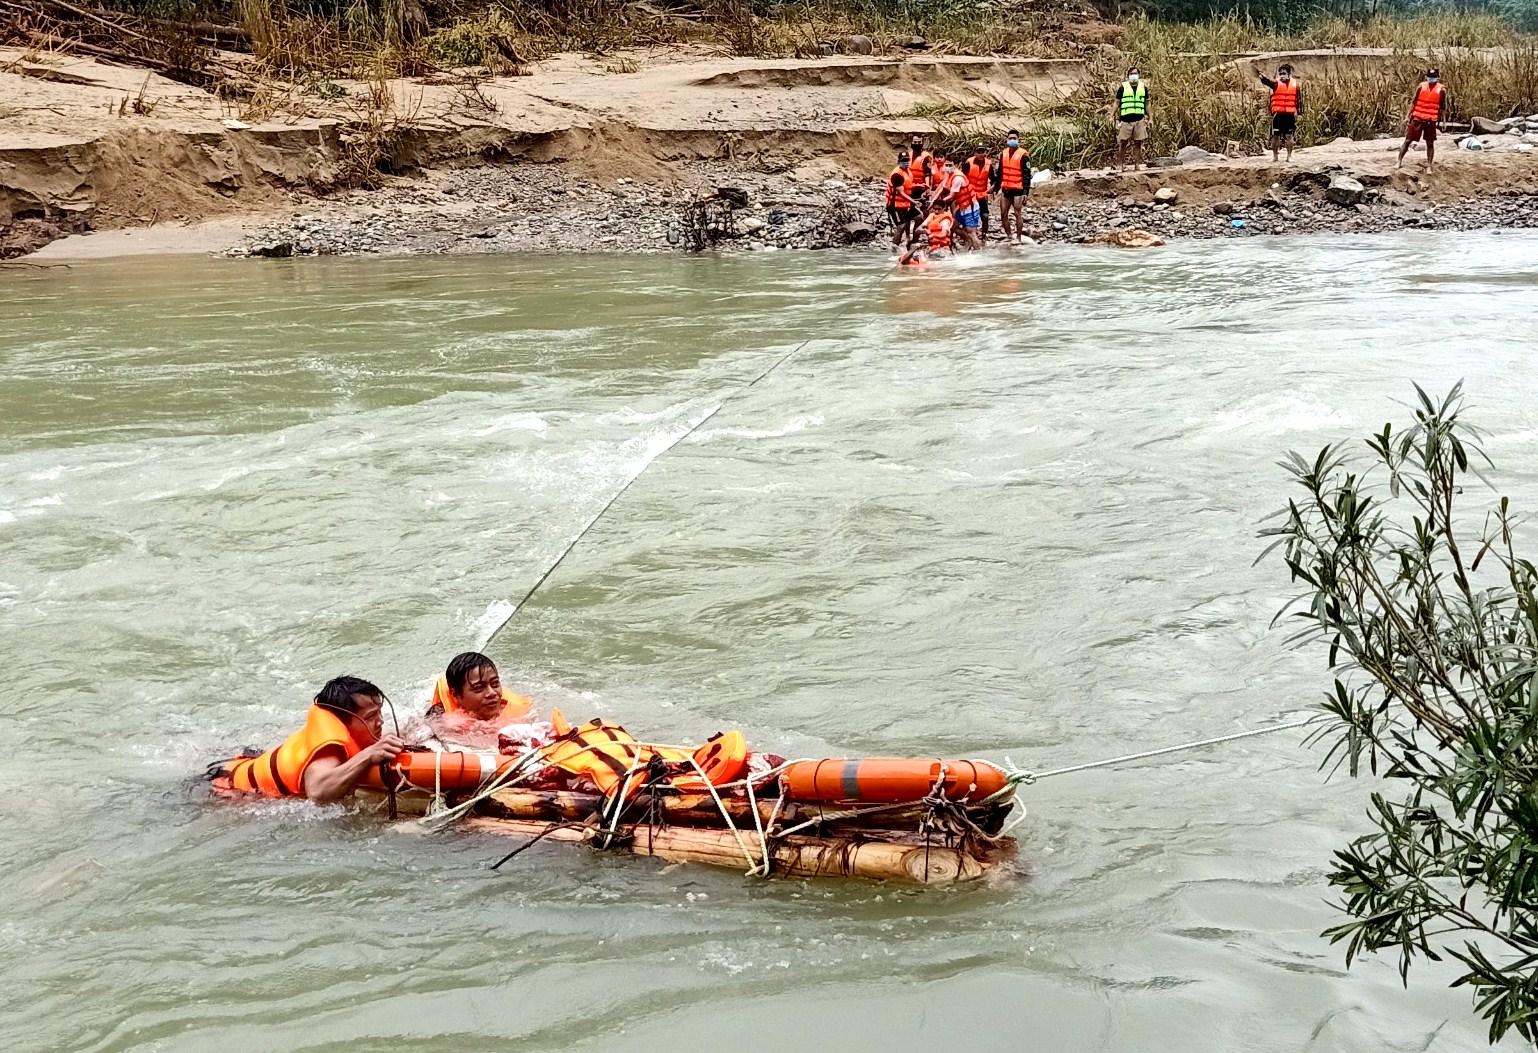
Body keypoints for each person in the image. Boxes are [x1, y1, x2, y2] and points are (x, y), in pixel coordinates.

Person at [211, 676, 406, 803]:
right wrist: (368, 755)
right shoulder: (329, 750)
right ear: (344, 721)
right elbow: (317, 791)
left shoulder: (342, 731)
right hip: (226, 788)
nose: (380, 722)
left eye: (380, 713)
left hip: (245, 761)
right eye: (371, 717)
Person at [425, 651, 534, 723]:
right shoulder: (439, 718)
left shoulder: (523, 715)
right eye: (478, 688)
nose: (491, 693)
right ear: (455, 695)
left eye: (495, 684)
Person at [1398, 68, 1449, 172]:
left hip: (1431, 119)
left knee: (1430, 143)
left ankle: (1429, 165)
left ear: (1438, 78)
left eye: (1434, 77)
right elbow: (1413, 101)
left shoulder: (1442, 90)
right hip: (1417, 117)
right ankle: (1399, 161)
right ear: (1426, 77)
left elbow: (1443, 107)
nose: (1431, 79)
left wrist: (1444, 122)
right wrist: (1408, 116)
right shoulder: (1421, 87)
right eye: (1430, 77)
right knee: (1408, 140)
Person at [1255, 62, 1302, 162]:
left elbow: (1298, 100)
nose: (1282, 75)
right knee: (1275, 136)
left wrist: (1300, 113)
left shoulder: (1295, 86)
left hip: (1289, 115)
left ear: (1289, 74)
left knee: (1289, 136)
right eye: (1280, 73)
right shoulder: (1276, 84)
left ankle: (1289, 156)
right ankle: (1275, 157)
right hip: (1278, 114)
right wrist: (1262, 78)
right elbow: (1268, 82)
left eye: (1284, 73)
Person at [994, 130, 1032, 244]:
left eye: (1014, 138)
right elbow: (1000, 173)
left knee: (1017, 213)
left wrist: (1026, 192)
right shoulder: (1003, 153)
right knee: (1003, 213)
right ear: (1007, 139)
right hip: (1006, 188)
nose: (1012, 140)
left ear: (1018, 139)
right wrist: (996, 188)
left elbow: (1027, 175)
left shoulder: (1023, 154)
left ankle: (1019, 238)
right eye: (1010, 138)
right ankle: (1009, 235)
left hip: (1018, 189)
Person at [1115, 68, 1150, 171]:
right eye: (1131, 74)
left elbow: (1147, 104)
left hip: (1139, 119)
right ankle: (1121, 164)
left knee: (1138, 143)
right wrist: (1111, 115)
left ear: (1139, 75)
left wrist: (1150, 117)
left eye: (1135, 73)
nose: (1133, 75)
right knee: (1123, 142)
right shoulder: (1122, 88)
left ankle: (1137, 165)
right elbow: (1117, 102)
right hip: (1126, 119)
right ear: (1128, 75)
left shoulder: (1143, 88)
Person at [885, 149, 917, 250]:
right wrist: (913, 201)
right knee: (901, 225)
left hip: (905, 203)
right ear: (898, 162)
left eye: (907, 160)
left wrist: (920, 186)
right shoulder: (897, 175)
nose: (906, 163)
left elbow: (908, 186)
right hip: (895, 205)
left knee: (919, 217)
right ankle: (894, 247)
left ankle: (910, 240)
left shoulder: (908, 171)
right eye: (903, 161)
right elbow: (901, 192)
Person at [962, 147, 994, 242]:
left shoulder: (989, 164)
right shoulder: (968, 163)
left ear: (986, 153)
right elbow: (962, 177)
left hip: (982, 195)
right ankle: (969, 236)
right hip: (969, 194)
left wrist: (993, 187)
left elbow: (994, 179)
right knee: (969, 216)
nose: (981, 154)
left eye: (983, 152)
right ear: (974, 153)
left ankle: (984, 236)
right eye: (978, 152)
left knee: (985, 216)